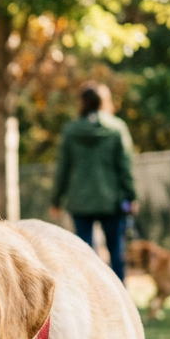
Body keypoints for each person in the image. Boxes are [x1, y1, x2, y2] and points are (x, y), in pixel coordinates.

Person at [50, 82, 137, 281]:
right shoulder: (116, 128)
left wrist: (56, 200)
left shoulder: (71, 130)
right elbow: (125, 167)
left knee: (85, 252)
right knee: (116, 251)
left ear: (82, 102)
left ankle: (89, 293)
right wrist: (131, 196)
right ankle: (120, 292)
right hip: (111, 200)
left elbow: (63, 168)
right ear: (104, 101)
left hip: (80, 201)